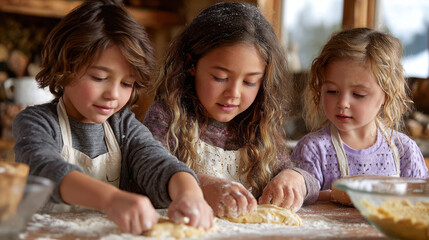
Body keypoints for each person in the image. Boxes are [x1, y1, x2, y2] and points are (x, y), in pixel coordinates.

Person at [12, 0, 213, 234]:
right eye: (99, 77)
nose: (113, 95)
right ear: (64, 68)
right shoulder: (36, 123)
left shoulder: (123, 127)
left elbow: (159, 163)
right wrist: (110, 199)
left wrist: (189, 193)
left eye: (127, 83)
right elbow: (45, 169)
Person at [143, 2, 319, 218]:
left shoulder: (257, 127)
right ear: (191, 65)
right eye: (221, 78)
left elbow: (310, 181)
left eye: (250, 82)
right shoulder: (167, 118)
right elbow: (145, 172)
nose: (233, 93)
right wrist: (200, 185)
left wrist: (295, 178)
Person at [291, 28, 429, 197]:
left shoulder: (405, 151)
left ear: (387, 95)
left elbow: (421, 202)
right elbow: (301, 204)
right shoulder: (313, 150)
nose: (342, 103)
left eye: (358, 94)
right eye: (332, 91)